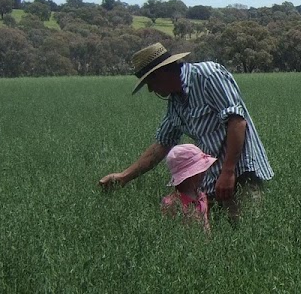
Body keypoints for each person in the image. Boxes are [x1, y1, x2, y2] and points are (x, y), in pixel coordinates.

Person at [99, 42, 273, 222]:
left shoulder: (209, 75)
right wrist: (124, 176)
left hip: (241, 173)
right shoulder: (175, 102)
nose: (151, 90)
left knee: (246, 229)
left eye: (150, 82)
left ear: (161, 73)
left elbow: (237, 122)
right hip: (212, 179)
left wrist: (228, 172)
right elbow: (162, 143)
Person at [161, 144, 216, 232]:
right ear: (190, 176)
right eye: (200, 170)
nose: (204, 173)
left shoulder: (201, 196)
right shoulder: (172, 203)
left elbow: (206, 226)